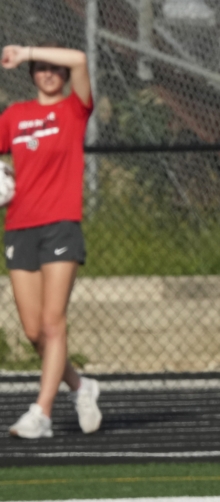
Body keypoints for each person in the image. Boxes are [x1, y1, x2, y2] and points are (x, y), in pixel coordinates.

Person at [0, 43, 102, 438]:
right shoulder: (15, 116)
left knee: (52, 322)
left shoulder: (74, 109)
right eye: (40, 68)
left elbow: (78, 59)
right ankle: (81, 386)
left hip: (61, 225)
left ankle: (41, 413)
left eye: (51, 68)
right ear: (31, 77)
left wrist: (24, 52)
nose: (48, 73)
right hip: (20, 227)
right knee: (32, 332)